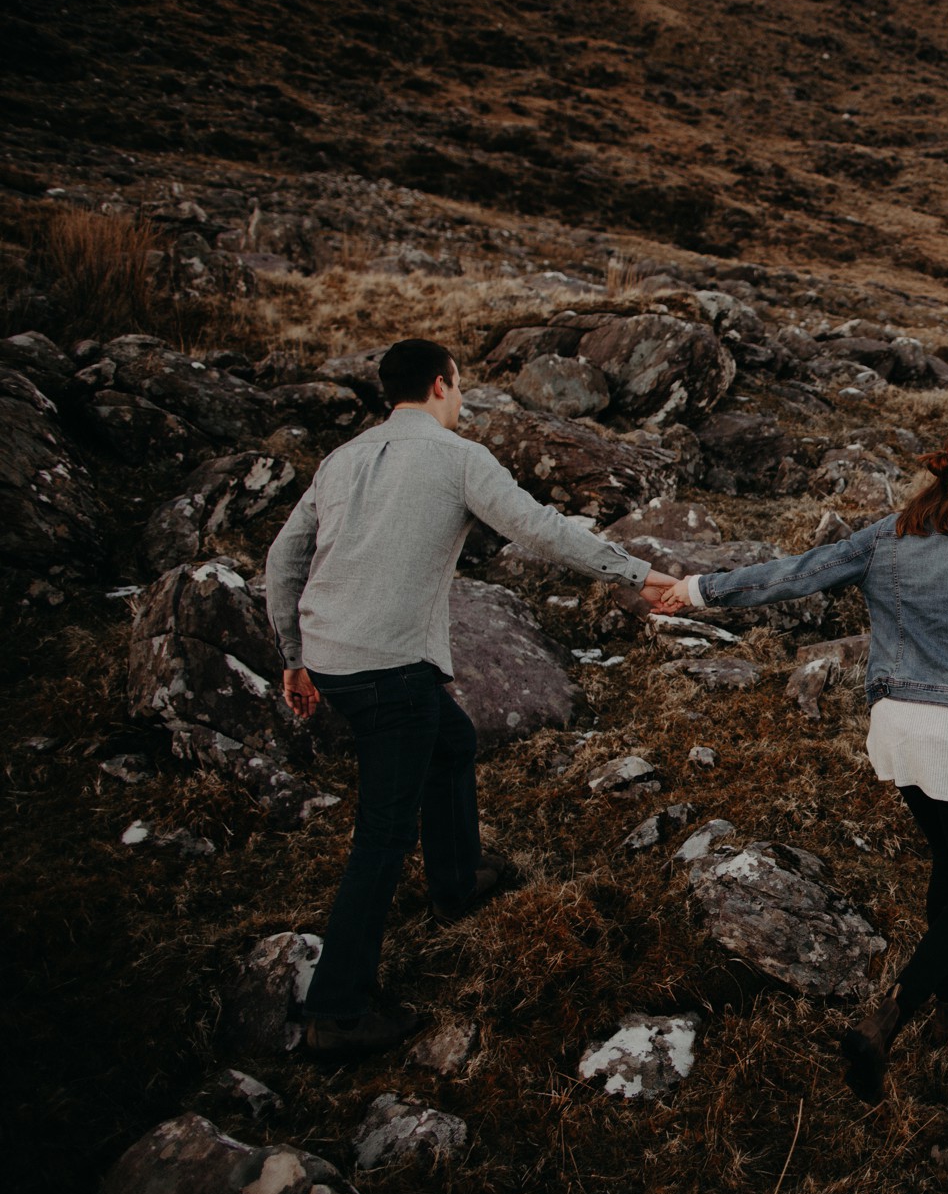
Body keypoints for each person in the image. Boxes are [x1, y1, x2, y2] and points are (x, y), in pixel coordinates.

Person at [265, 338, 677, 1057]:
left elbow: (283, 558)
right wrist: (635, 573)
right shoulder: (460, 459)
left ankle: (457, 879)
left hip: (334, 660)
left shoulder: (343, 459)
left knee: (450, 739)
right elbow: (541, 530)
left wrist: (295, 659)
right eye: (459, 386)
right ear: (439, 384)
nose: (462, 398)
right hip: (389, 669)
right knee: (381, 836)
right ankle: (336, 1009)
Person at [654, 424, 948, 1104]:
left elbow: (794, 574)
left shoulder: (888, 532)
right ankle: (886, 1021)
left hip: (896, 726)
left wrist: (697, 589)